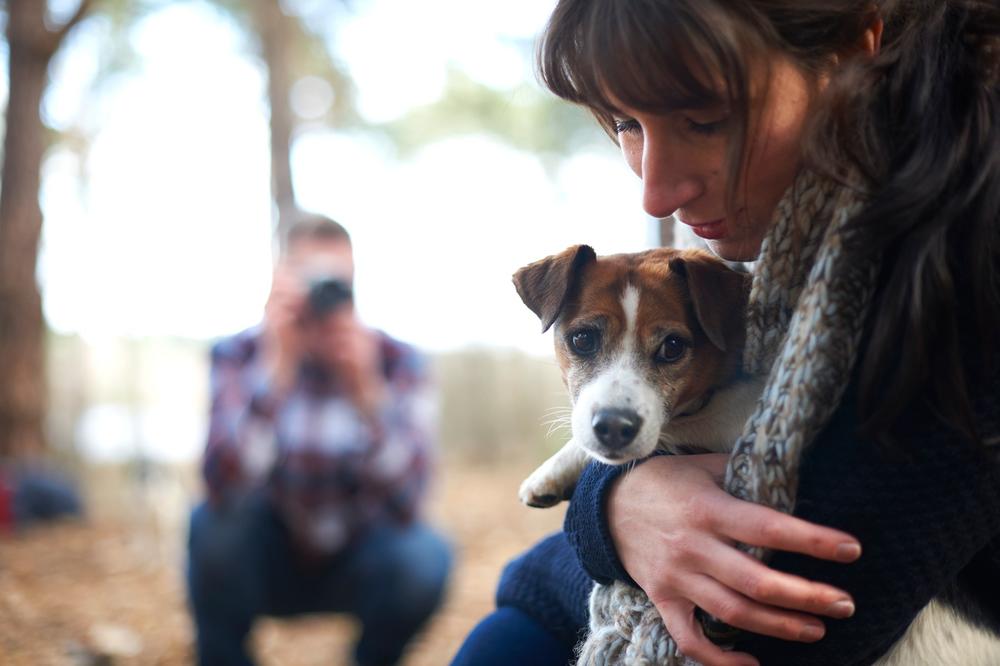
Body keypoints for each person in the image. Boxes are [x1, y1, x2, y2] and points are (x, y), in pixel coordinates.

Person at [453, 1, 1000, 665]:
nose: (655, 192)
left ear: (852, 58)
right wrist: (615, 503)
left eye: (706, 120)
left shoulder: (967, 259)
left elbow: (795, 612)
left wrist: (596, 526)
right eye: (626, 122)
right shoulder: (811, 253)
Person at [187, 214, 451, 666]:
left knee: (425, 555)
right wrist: (276, 372)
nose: (323, 299)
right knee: (210, 528)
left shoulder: (394, 361)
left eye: (337, 284)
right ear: (281, 283)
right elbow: (220, 487)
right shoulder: (239, 354)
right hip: (266, 555)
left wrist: (368, 394)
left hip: (360, 554)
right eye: (311, 282)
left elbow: (411, 502)